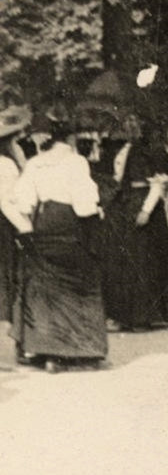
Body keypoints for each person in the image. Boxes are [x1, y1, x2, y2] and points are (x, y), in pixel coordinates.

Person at [1, 106, 107, 372]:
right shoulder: (76, 162)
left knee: (45, 285)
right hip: (70, 223)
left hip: (44, 223)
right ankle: (83, 352)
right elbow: (85, 205)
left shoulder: (35, 164)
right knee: (81, 283)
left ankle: (49, 353)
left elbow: (24, 202)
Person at [101, 113, 168, 331]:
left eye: (135, 121)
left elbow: (159, 183)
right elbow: (118, 176)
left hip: (144, 205)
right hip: (125, 205)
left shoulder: (153, 149)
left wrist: (146, 209)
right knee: (125, 261)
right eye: (127, 121)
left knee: (143, 261)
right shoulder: (124, 148)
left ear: (144, 123)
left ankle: (143, 317)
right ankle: (125, 315)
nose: (130, 125)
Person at [0, 106, 30, 324]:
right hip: (6, 217)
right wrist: (24, 224)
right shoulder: (7, 163)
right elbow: (7, 199)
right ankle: (5, 309)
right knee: (8, 263)